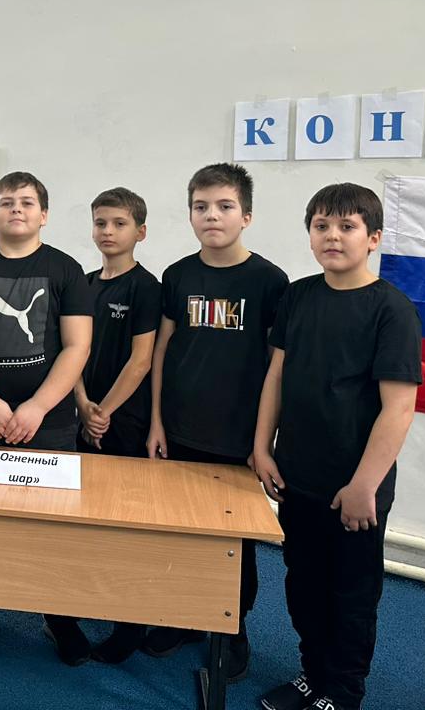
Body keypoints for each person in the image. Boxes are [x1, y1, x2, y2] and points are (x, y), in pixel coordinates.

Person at [254, 183, 421, 710]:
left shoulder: (392, 310)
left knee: (351, 595)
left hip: (355, 487)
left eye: (347, 226)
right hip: (296, 475)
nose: (333, 236)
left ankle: (343, 693)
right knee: (303, 584)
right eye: (321, 225)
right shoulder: (298, 296)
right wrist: (262, 447)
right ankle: (312, 674)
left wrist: (363, 485)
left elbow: (399, 408)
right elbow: (276, 375)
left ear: (373, 238)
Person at [0, 170, 93, 662]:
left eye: (26, 202)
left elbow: (77, 346)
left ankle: (59, 615)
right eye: (6, 202)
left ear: (43, 214)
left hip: (50, 421)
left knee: (52, 524)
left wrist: (38, 406)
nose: (16, 209)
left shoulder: (66, 270)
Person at [145, 162, 288, 680]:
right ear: (189, 214)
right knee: (181, 531)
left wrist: (263, 442)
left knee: (235, 544)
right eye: (201, 207)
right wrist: (156, 422)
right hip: (180, 429)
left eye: (225, 206)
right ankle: (186, 616)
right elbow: (162, 351)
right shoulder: (178, 275)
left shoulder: (270, 281)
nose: (212, 216)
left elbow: (276, 369)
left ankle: (233, 627)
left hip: (237, 438)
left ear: (246, 215)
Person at [71, 186, 161, 665]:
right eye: (101, 223)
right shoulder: (84, 285)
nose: (108, 231)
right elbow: (73, 351)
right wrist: (83, 405)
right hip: (85, 416)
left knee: (126, 525)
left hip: (124, 423)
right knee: (87, 520)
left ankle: (130, 624)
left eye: (119, 223)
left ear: (140, 232)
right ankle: (91, 602)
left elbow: (141, 361)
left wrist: (102, 412)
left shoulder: (146, 288)